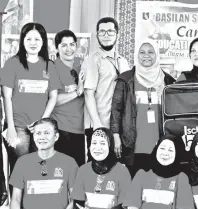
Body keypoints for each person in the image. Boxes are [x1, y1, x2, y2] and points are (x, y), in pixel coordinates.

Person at [1, 23, 61, 172]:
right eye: (29, 39)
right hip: (17, 127)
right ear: (22, 41)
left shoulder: (49, 65)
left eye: (37, 39)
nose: (33, 43)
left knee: (37, 169)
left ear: (43, 42)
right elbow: (6, 97)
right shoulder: (12, 63)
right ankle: (16, 197)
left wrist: (42, 122)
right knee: (19, 169)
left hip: (40, 128)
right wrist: (11, 128)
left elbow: (53, 96)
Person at [110, 39, 175, 177]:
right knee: (134, 186)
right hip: (132, 146)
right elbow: (116, 109)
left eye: (151, 52)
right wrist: (115, 135)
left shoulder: (168, 81)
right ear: (136, 55)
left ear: (157, 54)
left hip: (160, 146)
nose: (146, 55)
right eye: (142, 52)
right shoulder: (125, 79)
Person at [9, 118, 78, 209]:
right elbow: (16, 199)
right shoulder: (22, 162)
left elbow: (75, 198)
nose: (42, 137)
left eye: (47, 133)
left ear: (56, 136)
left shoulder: (69, 162)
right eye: (38, 133)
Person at [82, 17, 129, 162]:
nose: (106, 35)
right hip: (100, 123)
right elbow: (88, 94)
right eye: (102, 32)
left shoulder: (123, 61)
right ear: (97, 36)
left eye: (110, 31)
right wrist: (97, 125)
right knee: (98, 166)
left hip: (118, 125)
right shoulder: (93, 60)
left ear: (117, 34)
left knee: (116, 166)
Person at [123, 135, 194, 209]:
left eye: (170, 150)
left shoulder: (181, 177)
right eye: (162, 148)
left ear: (177, 153)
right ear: (156, 149)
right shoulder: (142, 174)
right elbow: (132, 204)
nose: (165, 153)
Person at [68, 127, 131, 209]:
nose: (97, 148)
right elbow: (77, 202)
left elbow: (124, 206)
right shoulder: (83, 170)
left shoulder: (122, 171)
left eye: (102, 143)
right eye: (94, 143)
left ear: (110, 146)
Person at [51, 29, 85, 167]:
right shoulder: (52, 68)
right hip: (61, 129)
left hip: (81, 130)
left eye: (71, 44)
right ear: (57, 48)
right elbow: (52, 100)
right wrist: (77, 92)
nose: (68, 49)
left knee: (78, 174)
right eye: (63, 45)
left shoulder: (82, 65)